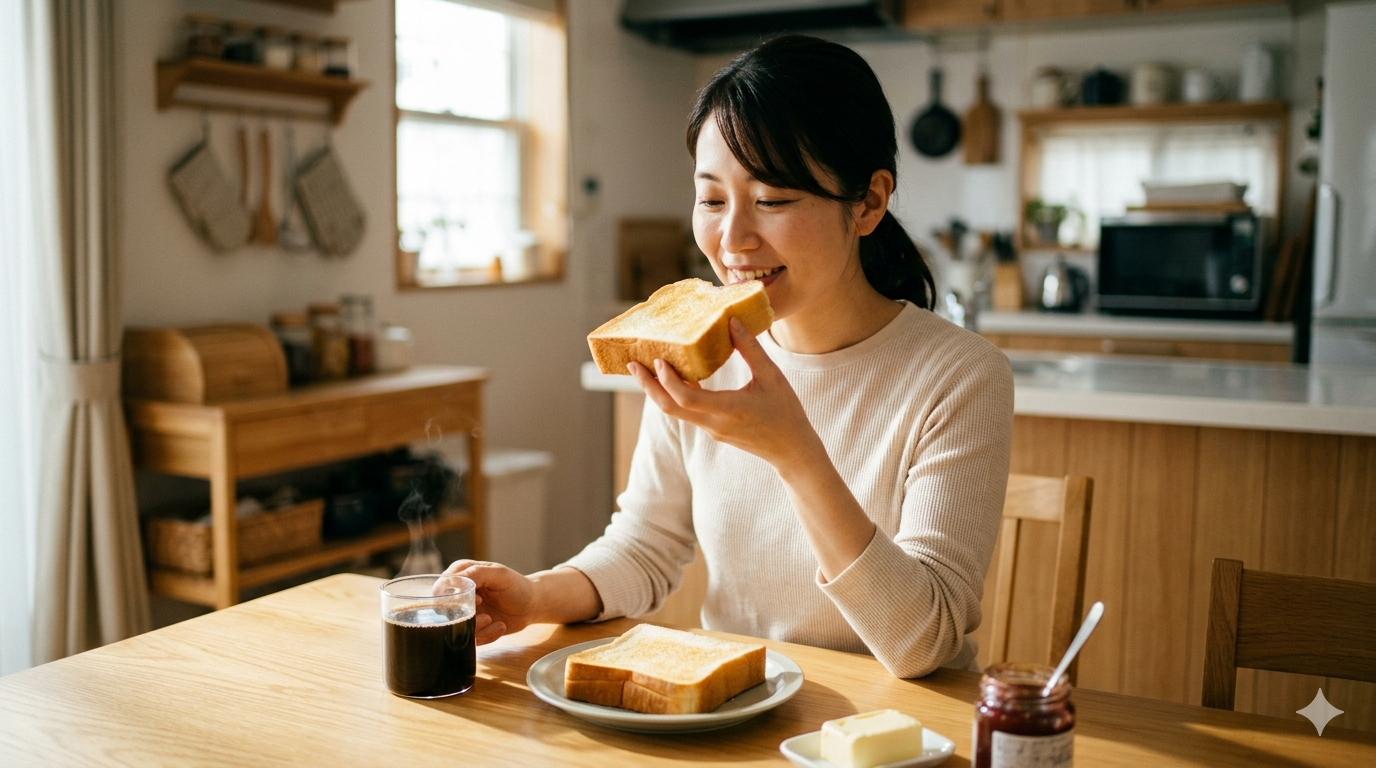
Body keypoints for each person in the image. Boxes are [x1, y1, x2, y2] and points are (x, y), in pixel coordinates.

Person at [444, 35, 1013, 678]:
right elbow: (646, 544)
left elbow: (922, 644)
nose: (733, 239)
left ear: (869, 203)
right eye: (712, 200)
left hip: (900, 726)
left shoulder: (961, 377)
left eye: (772, 200)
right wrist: (536, 595)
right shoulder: (700, 352)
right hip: (739, 705)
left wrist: (794, 451)